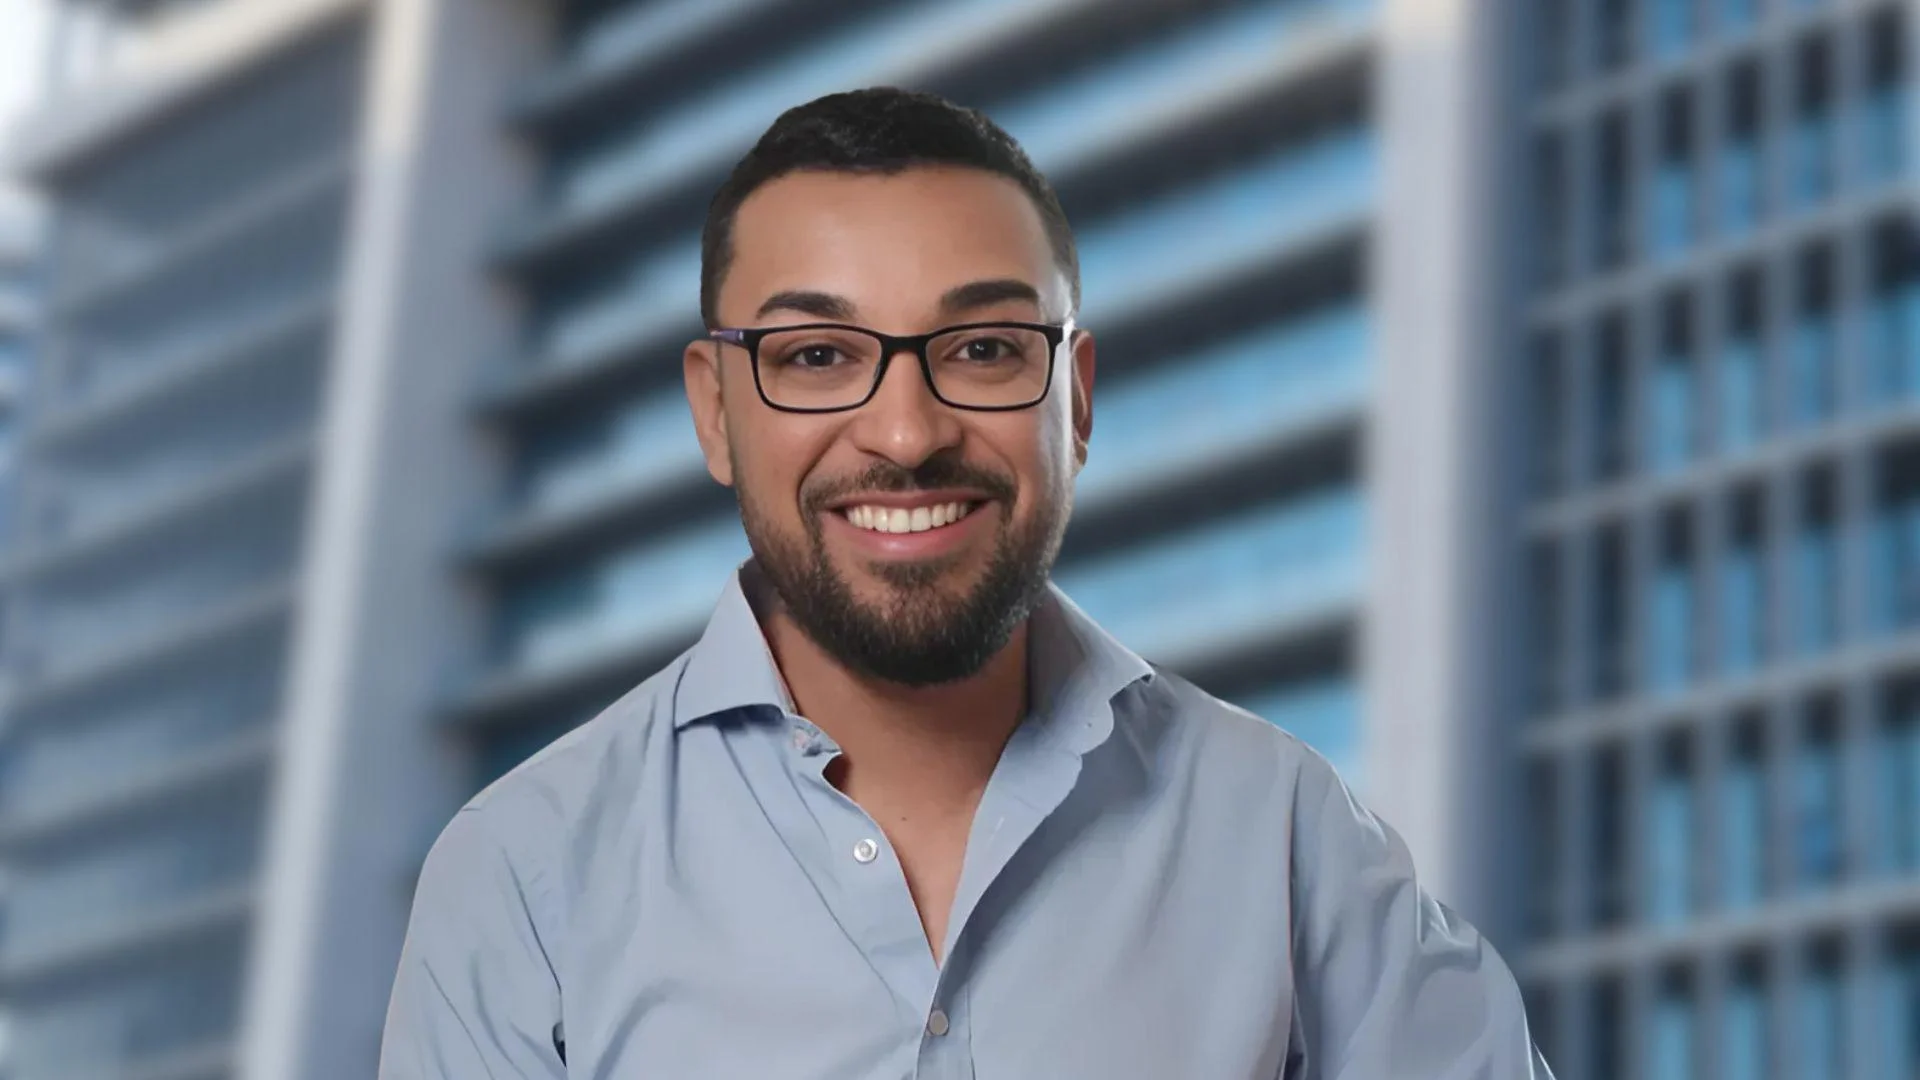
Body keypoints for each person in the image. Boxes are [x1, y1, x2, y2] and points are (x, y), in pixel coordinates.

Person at [378, 87, 1554, 1079]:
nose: (903, 431)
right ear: (715, 411)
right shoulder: (523, 874)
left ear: (1076, 399)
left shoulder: (1282, 831)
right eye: (818, 357)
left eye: (984, 349)